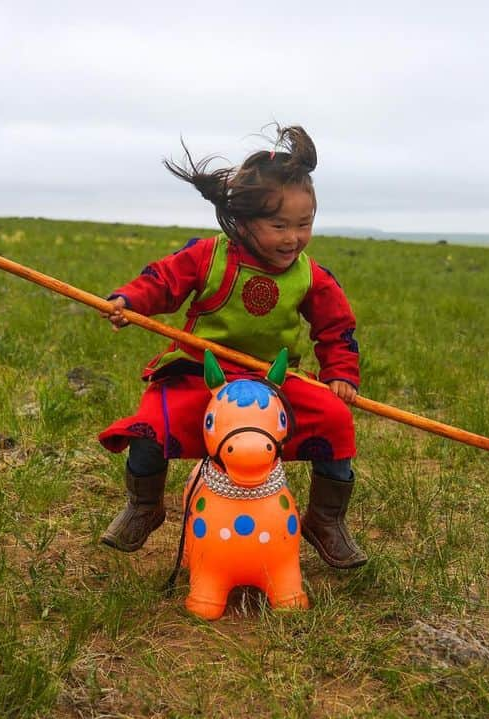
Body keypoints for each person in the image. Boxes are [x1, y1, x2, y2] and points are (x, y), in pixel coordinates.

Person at [97, 125, 366, 569]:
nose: (292, 237)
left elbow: (337, 328)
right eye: (279, 225)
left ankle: (326, 520)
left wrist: (339, 374)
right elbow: (163, 281)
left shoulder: (311, 275)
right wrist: (129, 300)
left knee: (336, 421)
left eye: (304, 224)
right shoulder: (208, 255)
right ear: (241, 222)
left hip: (273, 382)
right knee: (149, 426)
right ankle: (143, 506)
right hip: (199, 376)